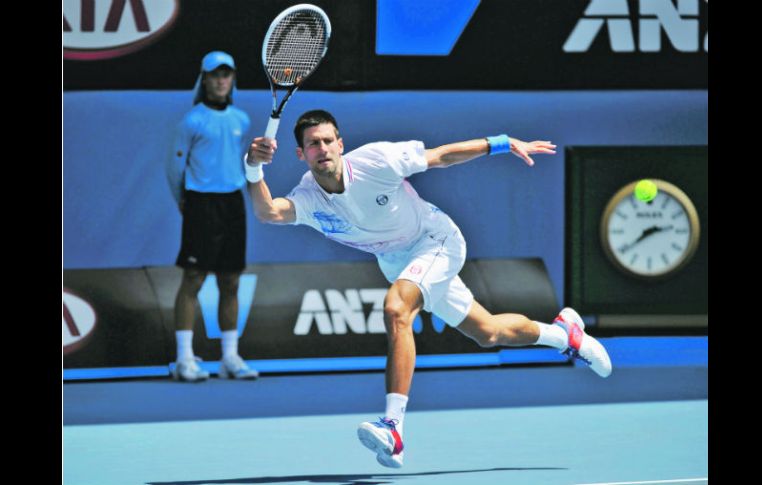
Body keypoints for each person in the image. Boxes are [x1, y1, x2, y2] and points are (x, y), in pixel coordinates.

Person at [244, 109, 611, 467]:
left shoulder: (377, 160)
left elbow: (440, 156)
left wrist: (501, 143)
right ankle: (565, 335)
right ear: (301, 154)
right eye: (312, 144)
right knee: (488, 332)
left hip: (435, 240)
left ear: (341, 144)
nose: (321, 148)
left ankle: (393, 427)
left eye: (327, 141)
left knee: (396, 309)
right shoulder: (309, 197)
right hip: (396, 262)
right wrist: (253, 167)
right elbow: (269, 212)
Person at [165, 51, 259, 382]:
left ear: (232, 79)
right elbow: (174, 168)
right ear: (204, 79)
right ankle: (184, 359)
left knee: (231, 280)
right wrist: (184, 201)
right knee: (193, 278)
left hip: (232, 202)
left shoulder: (241, 120)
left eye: (226, 74)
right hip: (200, 203)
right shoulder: (191, 121)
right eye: (215, 75)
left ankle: (229, 358)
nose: (221, 80)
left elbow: (240, 161)